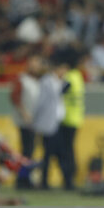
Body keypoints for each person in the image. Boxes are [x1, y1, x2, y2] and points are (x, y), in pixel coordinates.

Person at [32, 55, 69, 190]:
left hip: (57, 123)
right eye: (64, 69)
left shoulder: (61, 81)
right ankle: (46, 181)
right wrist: (36, 120)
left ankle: (60, 180)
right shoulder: (47, 81)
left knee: (55, 153)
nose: (65, 72)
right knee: (50, 153)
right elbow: (41, 103)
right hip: (48, 124)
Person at [10, 55, 43, 189]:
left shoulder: (37, 81)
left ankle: (26, 178)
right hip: (25, 121)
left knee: (30, 151)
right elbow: (15, 97)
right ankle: (23, 179)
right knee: (27, 151)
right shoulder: (23, 79)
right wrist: (24, 113)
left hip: (34, 121)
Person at [58, 50, 86, 190]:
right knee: (69, 150)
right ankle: (70, 179)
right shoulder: (78, 76)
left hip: (67, 119)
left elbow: (60, 91)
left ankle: (68, 180)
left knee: (66, 151)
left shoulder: (69, 77)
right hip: (76, 118)